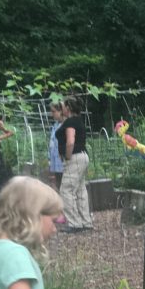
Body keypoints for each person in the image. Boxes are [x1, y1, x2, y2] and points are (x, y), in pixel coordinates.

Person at [58, 96, 93, 232]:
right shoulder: (78, 120)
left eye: (64, 106)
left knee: (66, 190)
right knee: (80, 190)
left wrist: (67, 156)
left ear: (68, 108)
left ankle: (74, 223)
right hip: (83, 156)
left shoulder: (71, 122)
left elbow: (70, 141)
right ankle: (86, 222)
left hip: (75, 157)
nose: (62, 109)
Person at [47, 102, 65, 190]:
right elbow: (52, 145)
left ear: (61, 111)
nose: (52, 114)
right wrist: (50, 160)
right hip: (56, 164)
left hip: (64, 164)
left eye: (54, 111)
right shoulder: (55, 126)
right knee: (59, 187)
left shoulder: (66, 126)